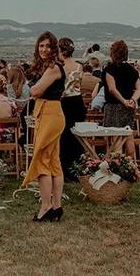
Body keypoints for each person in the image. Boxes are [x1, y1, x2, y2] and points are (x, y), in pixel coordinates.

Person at [22, 31, 66, 222]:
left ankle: (46, 206)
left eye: (48, 46)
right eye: (41, 45)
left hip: (49, 113)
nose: (44, 49)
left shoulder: (53, 68)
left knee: (41, 159)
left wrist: (30, 84)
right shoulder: (51, 68)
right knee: (53, 161)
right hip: (50, 112)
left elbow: (36, 90)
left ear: (54, 48)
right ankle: (56, 206)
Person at [101, 40, 140, 156]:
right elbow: (139, 89)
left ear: (112, 53)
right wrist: (132, 100)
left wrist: (124, 101)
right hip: (128, 107)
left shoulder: (110, 69)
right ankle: (129, 164)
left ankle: (117, 165)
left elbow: (112, 89)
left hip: (114, 106)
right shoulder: (132, 70)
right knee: (128, 136)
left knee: (116, 138)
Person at [57, 37, 84, 176]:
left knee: (63, 134)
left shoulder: (58, 67)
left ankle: (64, 167)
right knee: (76, 134)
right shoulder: (79, 66)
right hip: (78, 102)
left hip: (64, 102)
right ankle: (77, 166)